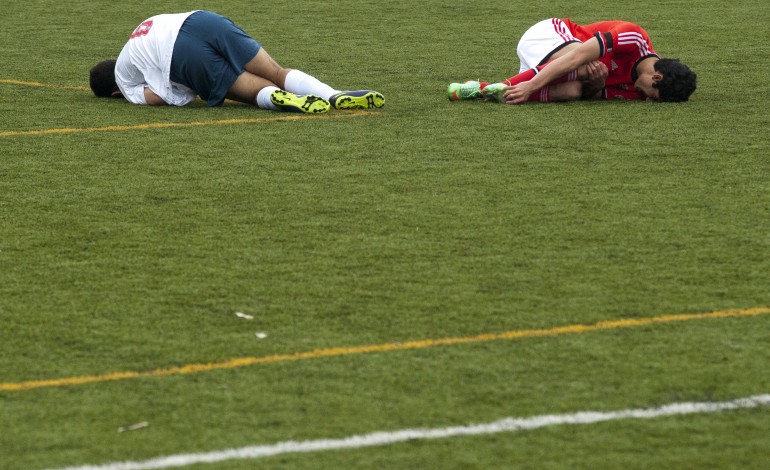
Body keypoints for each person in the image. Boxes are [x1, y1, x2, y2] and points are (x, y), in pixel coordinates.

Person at [89, 10, 385, 113]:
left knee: (247, 89)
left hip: (180, 53)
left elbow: (156, 98)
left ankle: (278, 99)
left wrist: (191, 88)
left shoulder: (124, 81)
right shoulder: (138, 33)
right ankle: (333, 94)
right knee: (276, 70)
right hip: (201, 20)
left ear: (113, 92)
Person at [447, 18, 696, 104]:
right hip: (545, 37)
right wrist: (531, 86)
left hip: (545, 68)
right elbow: (576, 56)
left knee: (572, 91)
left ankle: (483, 91)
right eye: (654, 96)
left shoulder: (638, 90)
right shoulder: (634, 37)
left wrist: (597, 86)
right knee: (584, 64)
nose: (647, 99)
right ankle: (498, 86)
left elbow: (591, 95)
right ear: (657, 78)